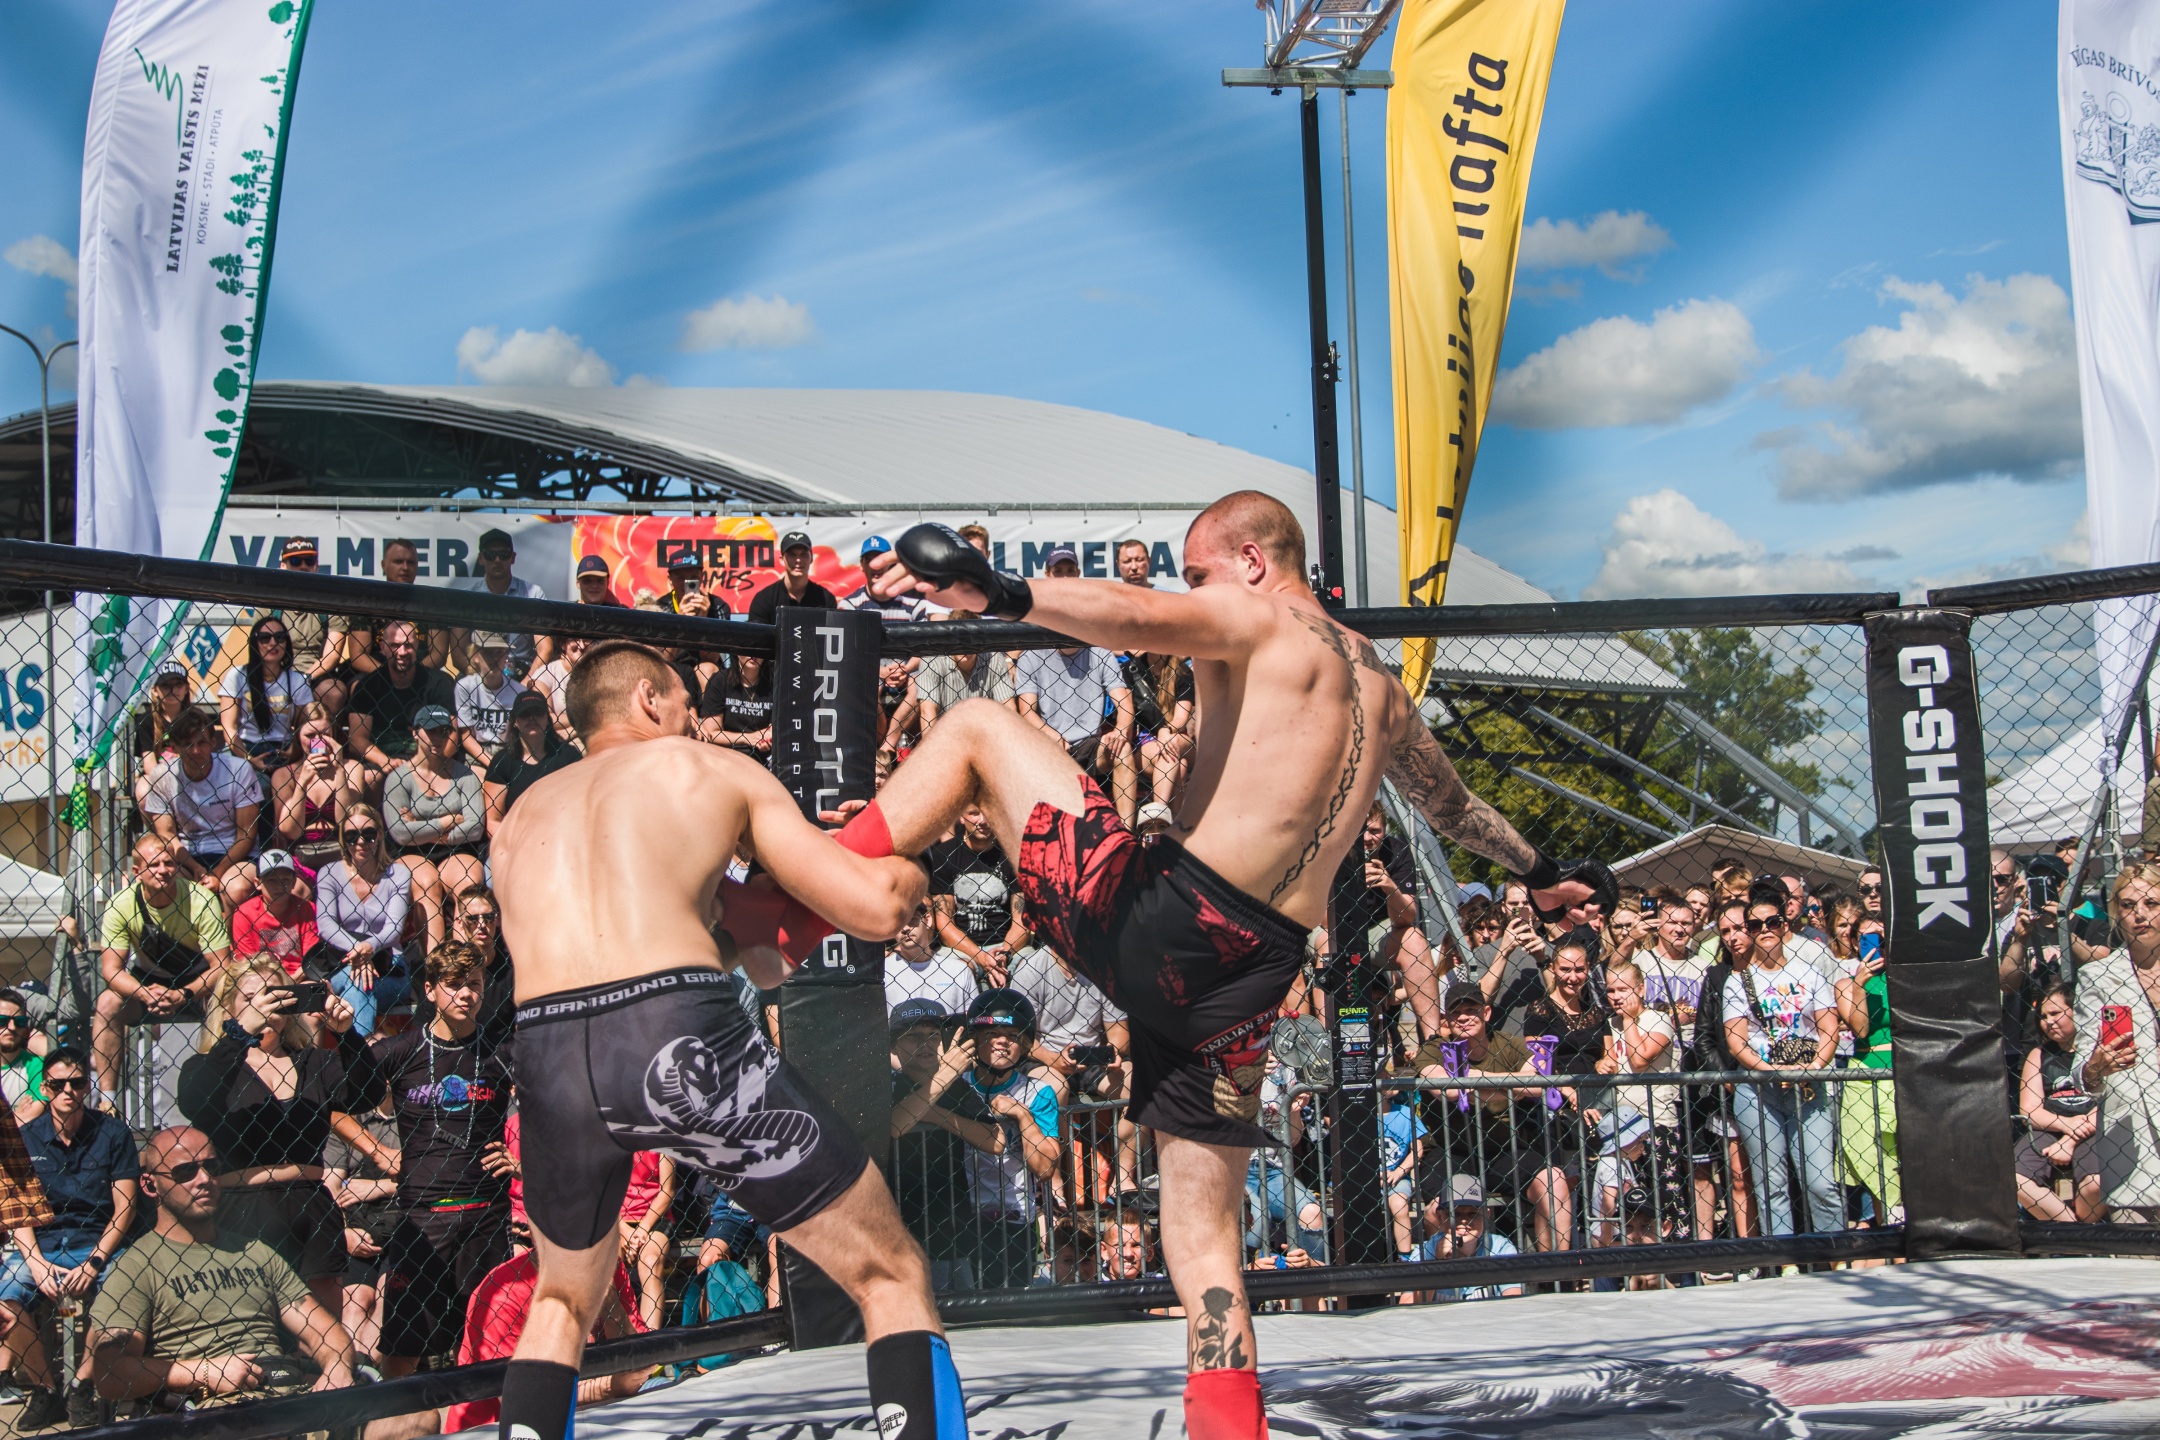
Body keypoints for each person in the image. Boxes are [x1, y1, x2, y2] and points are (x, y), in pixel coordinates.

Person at [863, 495, 1606, 1437]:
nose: (1193, 591)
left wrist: (1000, 591)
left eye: (1200, 573)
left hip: (1172, 922)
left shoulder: (1258, 617)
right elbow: (1454, 809)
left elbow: (1131, 615)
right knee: (1206, 1233)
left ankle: (811, 880)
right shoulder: (1381, 689)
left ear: (1254, 561)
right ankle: (1229, 1423)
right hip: (1254, 975)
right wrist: (1539, 873)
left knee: (978, 728)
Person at [489, 640, 962, 1440]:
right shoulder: (708, 769)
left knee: (562, 1300)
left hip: (548, 1051)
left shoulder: (519, 817)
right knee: (890, 1271)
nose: (694, 718)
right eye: (683, 702)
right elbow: (876, 910)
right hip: (671, 1028)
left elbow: (751, 956)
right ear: (648, 699)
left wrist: (743, 898)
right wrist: (908, 868)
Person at [86, 1126, 354, 1406]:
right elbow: (109, 1373)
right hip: (214, 1407)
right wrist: (202, 1372)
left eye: (212, 1167)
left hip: (284, 1395)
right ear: (150, 1185)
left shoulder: (256, 1252)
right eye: (185, 1171)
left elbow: (323, 1330)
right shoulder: (135, 1267)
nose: (204, 1179)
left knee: (386, 1413)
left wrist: (337, 1366)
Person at [177, 960, 382, 1318]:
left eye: (274, 997)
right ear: (229, 1008)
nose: (266, 1007)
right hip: (242, 1208)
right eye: (251, 998)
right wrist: (241, 1034)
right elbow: (194, 1099)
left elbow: (366, 1094)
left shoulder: (314, 1061)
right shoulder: (212, 1064)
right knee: (251, 1323)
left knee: (323, 1329)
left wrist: (347, 1035)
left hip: (311, 1208)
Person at [370, 943, 517, 1379]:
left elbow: (550, 1107)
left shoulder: (499, 1052)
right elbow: (337, 1095)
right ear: (431, 989)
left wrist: (522, 1161)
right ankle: (398, 1414)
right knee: (402, 1351)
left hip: (486, 1215)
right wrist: (376, 1150)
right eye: (454, 985)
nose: (466, 994)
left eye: (475, 984)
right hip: (423, 1217)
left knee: (492, 1346)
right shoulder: (402, 1049)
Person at [887, 990, 1060, 1291]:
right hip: (953, 1217)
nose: (1002, 1042)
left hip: (1011, 1216)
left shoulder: (1037, 1092)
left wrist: (1022, 1115)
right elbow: (896, 1123)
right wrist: (940, 1088)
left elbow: (1034, 1162)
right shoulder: (954, 1080)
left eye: (1012, 1036)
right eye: (991, 1034)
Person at [0, 1048, 137, 1428]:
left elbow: (124, 1207)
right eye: (57, 1084)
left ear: (87, 1086)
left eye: (76, 1083)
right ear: (44, 1088)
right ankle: (45, 1391)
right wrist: (36, 1264)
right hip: (40, 1244)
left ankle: (83, 1386)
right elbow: (18, 1209)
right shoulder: (26, 1137)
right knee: (5, 1300)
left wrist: (95, 1261)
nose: (67, 1091)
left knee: (123, 1292)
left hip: (96, 1240)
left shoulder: (112, 1133)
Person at [1722, 892, 1841, 1236]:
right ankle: (1784, 1256)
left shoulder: (1810, 972)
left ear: (1785, 925)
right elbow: (1737, 1041)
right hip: (1759, 1089)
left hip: (1809, 1084)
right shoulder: (1737, 980)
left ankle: (1836, 1252)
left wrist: (1814, 1067)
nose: (1765, 929)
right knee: (1771, 1185)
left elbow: (1829, 1029)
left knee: (1820, 1181)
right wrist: (1771, 1071)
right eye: (1755, 925)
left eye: (1772, 922)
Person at [437, 1250, 649, 1436]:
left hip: (597, 1414)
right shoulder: (502, 1293)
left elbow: (642, 1366)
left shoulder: (607, 1264)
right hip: (494, 1429)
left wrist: (613, 1308)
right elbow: (521, 1402)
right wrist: (610, 1386)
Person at [91, 837, 231, 1105]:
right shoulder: (121, 904)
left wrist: (183, 994)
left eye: (169, 863)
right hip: (148, 983)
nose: (163, 870)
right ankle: (108, 1102)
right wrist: (145, 993)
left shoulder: (200, 899)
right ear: (137, 872)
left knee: (234, 1001)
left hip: (199, 985)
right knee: (107, 1003)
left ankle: (229, 1096)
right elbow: (111, 970)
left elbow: (222, 965)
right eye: (154, 864)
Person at [2073, 863, 2160, 1223]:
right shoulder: (2098, 977)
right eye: (2127, 905)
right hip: (2134, 1143)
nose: (2140, 914)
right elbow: (2082, 1070)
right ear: (2115, 913)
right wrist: (2095, 1068)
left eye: (2151, 903)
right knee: (2137, 1254)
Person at [887, 1000, 984, 1294]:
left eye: (933, 1035)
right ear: (893, 1046)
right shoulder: (889, 1085)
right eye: (913, 1036)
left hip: (951, 1225)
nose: (926, 1044)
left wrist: (934, 1115)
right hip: (900, 1227)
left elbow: (995, 1140)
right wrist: (947, 1072)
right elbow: (895, 1126)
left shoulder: (957, 1087)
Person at [1328, 805, 1440, 1040]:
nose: (1367, 838)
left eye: (1374, 831)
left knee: (1414, 939)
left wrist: (1389, 886)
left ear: (1385, 830)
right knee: (1324, 946)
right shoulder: (1332, 849)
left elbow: (1406, 919)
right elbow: (1324, 922)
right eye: (1360, 831)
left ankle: (1433, 1040)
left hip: (1376, 931)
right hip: (1332, 927)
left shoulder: (1397, 851)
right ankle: (1327, 1041)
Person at [138, 706, 263, 910]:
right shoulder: (162, 776)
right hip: (186, 855)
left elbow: (246, 834)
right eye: (188, 744)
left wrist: (217, 873)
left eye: (202, 743)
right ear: (175, 747)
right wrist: (195, 868)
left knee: (235, 888)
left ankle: (229, 932)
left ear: (213, 742)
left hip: (234, 854)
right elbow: (167, 836)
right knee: (168, 884)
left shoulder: (238, 769)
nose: (196, 751)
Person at [384, 705, 488, 939]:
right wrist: (448, 821)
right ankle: (435, 959)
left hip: (456, 849)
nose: (438, 738)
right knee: (427, 883)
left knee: (468, 881)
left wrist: (421, 828)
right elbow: (400, 833)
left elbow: (474, 827)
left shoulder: (465, 775)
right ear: (415, 732)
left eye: (444, 731)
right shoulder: (399, 778)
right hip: (412, 852)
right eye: (431, 731)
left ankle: (467, 956)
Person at [314, 803, 417, 1035]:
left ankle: (358, 1051)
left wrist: (370, 947)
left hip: (390, 967)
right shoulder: (329, 873)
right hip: (341, 962)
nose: (360, 842)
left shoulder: (398, 874)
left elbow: (394, 929)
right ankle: (365, 1048)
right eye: (352, 836)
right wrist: (359, 951)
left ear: (379, 835)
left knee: (360, 983)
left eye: (368, 834)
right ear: (343, 839)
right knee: (360, 981)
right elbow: (326, 924)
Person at [322, 1092, 400, 1363]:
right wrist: (343, 1232)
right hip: (358, 1226)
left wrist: (381, 1186)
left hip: (406, 1224)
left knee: (387, 1296)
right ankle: (353, 1370)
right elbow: (330, 1186)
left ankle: (369, 1371)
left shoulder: (417, 1115)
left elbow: (432, 1175)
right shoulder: (349, 1121)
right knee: (355, 1300)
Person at [2016, 984, 2103, 1223]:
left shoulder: (2101, 1051)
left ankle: (2080, 1231)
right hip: (2051, 1127)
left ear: (2079, 1011)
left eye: (2055, 1013)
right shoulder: (2039, 1054)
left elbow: (2111, 1104)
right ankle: (2076, 1233)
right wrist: (2067, 1126)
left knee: (2095, 1185)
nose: (2048, 1021)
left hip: (2096, 1126)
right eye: (2043, 1016)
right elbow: (2029, 1110)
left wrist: (2071, 1139)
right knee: (2016, 1180)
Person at [924, 805, 1030, 987]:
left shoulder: (1014, 855)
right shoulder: (943, 855)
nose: (982, 821)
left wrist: (1003, 955)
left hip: (1007, 945)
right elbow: (944, 923)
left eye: (989, 813)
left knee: (1030, 968)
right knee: (955, 971)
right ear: (961, 817)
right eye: (974, 814)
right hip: (962, 948)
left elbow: (1022, 923)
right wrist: (980, 957)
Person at [1015, 640, 1132, 801]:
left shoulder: (1101, 653)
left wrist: (1120, 730)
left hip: (1091, 744)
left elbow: (1125, 704)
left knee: (1123, 750)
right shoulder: (1031, 657)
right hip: (1049, 745)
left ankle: (1126, 819)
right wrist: (1050, 734)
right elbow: (1027, 711)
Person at [348, 620, 457, 774]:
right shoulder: (368, 685)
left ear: (417, 646)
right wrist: (385, 761)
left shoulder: (439, 683)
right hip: (383, 760)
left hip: (430, 761)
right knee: (369, 777)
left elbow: (452, 736)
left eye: (408, 645)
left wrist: (423, 766)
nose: (402, 652)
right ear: (383, 648)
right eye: (395, 645)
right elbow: (356, 739)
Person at [272, 709, 366, 874]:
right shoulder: (284, 774)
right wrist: (302, 782)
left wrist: (339, 770)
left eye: (325, 735)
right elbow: (290, 831)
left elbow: (345, 821)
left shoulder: (352, 767)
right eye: (310, 735)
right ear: (297, 736)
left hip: (342, 853)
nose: (318, 742)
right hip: (299, 855)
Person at [219, 615, 312, 781]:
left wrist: (294, 751)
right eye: (264, 638)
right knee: (259, 785)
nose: (273, 643)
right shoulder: (237, 675)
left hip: (283, 749)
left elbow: (308, 726)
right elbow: (228, 727)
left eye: (280, 637)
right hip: (245, 747)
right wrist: (248, 759)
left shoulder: (298, 680)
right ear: (254, 643)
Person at [272, 537, 355, 718]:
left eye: (309, 561)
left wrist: (303, 679)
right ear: (283, 566)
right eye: (295, 561)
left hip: (317, 676)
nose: (303, 566)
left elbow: (332, 655)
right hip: (277, 673)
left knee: (334, 692)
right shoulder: (269, 601)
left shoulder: (331, 601)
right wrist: (283, 681)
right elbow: (260, 649)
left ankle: (324, 737)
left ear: (316, 566)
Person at [1112, 651, 1195, 819]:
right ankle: (1170, 823)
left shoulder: (1183, 673)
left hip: (1178, 736)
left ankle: (1155, 819)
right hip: (1145, 739)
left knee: (1171, 744)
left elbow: (1181, 718)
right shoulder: (1131, 669)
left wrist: (1166, 730)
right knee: (1180, 765)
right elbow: (1127, 710)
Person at [450, 529, 543, 677]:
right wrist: (478, 679)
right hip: (479, 670)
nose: (497, 560)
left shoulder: (533, 593)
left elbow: (545, 650)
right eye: (490, 555)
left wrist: (527, 683)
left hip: (522, 671)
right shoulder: (467, 598)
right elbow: (458, 652)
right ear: (481, 559)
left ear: (512, 558)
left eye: (503, 554)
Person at [1413, 1175, 1522, 1301]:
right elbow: (1407, 1306)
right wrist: (1435, 1265)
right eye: (1455, 1214)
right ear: (1440, 1216)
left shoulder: (1500, 1247)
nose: (1464, 1221)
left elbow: (1514, 1301)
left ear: (1486, 1214)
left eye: (1472, 1213)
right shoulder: (1425, 1251)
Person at [484, 690, 576, 833]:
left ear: (548, 719)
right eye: (525, 714)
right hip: (514, 837)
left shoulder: (568, 757)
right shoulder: (501, 762)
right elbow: (493, 821)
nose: (532, 719)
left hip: (560, 834)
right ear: (515, 721)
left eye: (538, 713)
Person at [914, 619, 1016, 739]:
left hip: (986, 738)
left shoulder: (994, 659)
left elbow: (1009, 709)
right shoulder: (932, 660)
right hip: (945, 738)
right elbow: (927, 711)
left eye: (971, 640)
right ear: (949, 639)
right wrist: (934, 749)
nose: (965, 646)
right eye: (959, 640)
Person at [227, 849, 320, 974]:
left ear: (294, 882)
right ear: (258, 883)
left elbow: (311, 961)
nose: (279, 886)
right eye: (272, 880)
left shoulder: (307, 909)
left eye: (285, 880)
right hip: (259, 977)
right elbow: (246, 963)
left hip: (299, 976)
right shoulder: (244, 913)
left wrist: (292, 981)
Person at [885, 900, 980, 1019]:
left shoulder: (959, 971)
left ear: (927, 920)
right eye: (898, 923)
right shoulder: (882, 973)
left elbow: (973, 1021)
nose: (905, 928)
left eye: (912, 920)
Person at [130, 659, 198, 805]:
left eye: (178, 685)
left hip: (191, 774)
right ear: (155, 690)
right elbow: (149, 765)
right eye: (166, 686)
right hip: (158, 776)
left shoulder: (195, 719)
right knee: (143, 789)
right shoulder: (147, 721)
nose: (173, 690)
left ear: (186, 688)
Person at [455, 633, 523, 760]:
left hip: (507, 750)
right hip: (476, 752)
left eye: (499, 652)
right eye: (487, 653)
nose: (495, 658)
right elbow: (466, 737)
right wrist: (492, 764)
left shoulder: (519, 691)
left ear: (506, 655)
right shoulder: (465, 687)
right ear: (475, 656)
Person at [745, 531, 837, 624]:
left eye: (803, 554)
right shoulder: (764, 599)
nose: (798, 560)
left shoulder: (825, 599)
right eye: (792, 555)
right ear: (782, 559)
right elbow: (756, 633)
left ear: (811, 558)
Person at [698, 651, 774, 760]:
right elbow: (711, 733)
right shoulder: (720, 680)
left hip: (764, 757)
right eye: (748, 648)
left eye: (759, 649)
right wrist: (748, 738)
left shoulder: (774, 683)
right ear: (737, 651)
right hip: (726, 755)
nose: (753, 654)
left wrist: (768, 736)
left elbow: (776, 726)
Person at [0, 992, 44, 1124]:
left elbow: (33, 1114)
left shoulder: (38, 1065)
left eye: (19, 1021)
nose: (12, 1027)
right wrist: (14, 1116)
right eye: (2, 1020)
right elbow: (20, 1121)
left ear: (25, 1028)